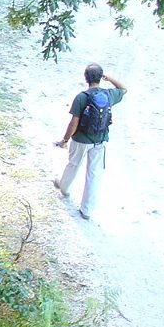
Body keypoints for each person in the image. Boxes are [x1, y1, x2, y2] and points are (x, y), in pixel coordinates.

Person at [53, 64, 127, 220]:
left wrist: (64, 140)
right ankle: (87, 210)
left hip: (81, 139)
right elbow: (123, 89)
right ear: (101, 77)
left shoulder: (82, 97)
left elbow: (74, 123)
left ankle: (65, 188)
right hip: (100, 140)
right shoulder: (109, 95)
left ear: (85, 77)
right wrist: (110, 79)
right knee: (94, 174)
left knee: (73, 164)